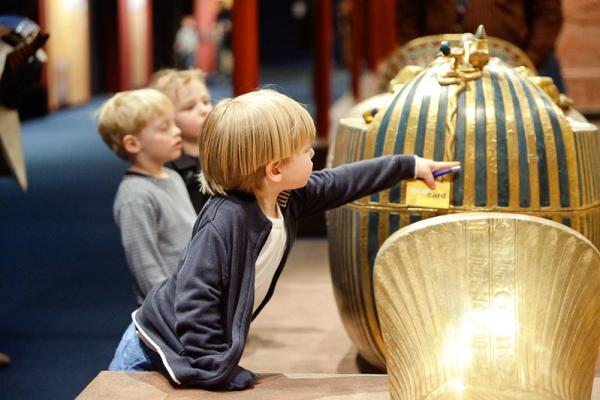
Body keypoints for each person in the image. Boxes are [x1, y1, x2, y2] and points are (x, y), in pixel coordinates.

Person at [107, 89, 459, 390]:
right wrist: (214, 369)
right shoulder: (225, 220)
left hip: (186, 353)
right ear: (275, 169)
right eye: (306, 151)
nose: (312, 156)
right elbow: (195, 298)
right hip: (155, 350)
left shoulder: (285, 196)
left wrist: (408, 166)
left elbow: (342, 182)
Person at [97, 89, 196, 304]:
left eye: (174, 123)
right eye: (164, 128)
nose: (176, 131)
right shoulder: (136, 197)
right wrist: (172, 307)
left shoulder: (173, 177)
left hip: (195, 295)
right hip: (173, 310)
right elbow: (145, 266)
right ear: (132, 143)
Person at [395, 0, 567, 92]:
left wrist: (527, 60)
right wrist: (424, 62)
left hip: (517, 69)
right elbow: (406, 16)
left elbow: (548, 16)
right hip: (440, 71)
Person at [149, 68, 213, 213]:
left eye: (206, 101)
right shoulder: (168, 167)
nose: (204, 110)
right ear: (166, 118)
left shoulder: (222, 150)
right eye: (190, 107)